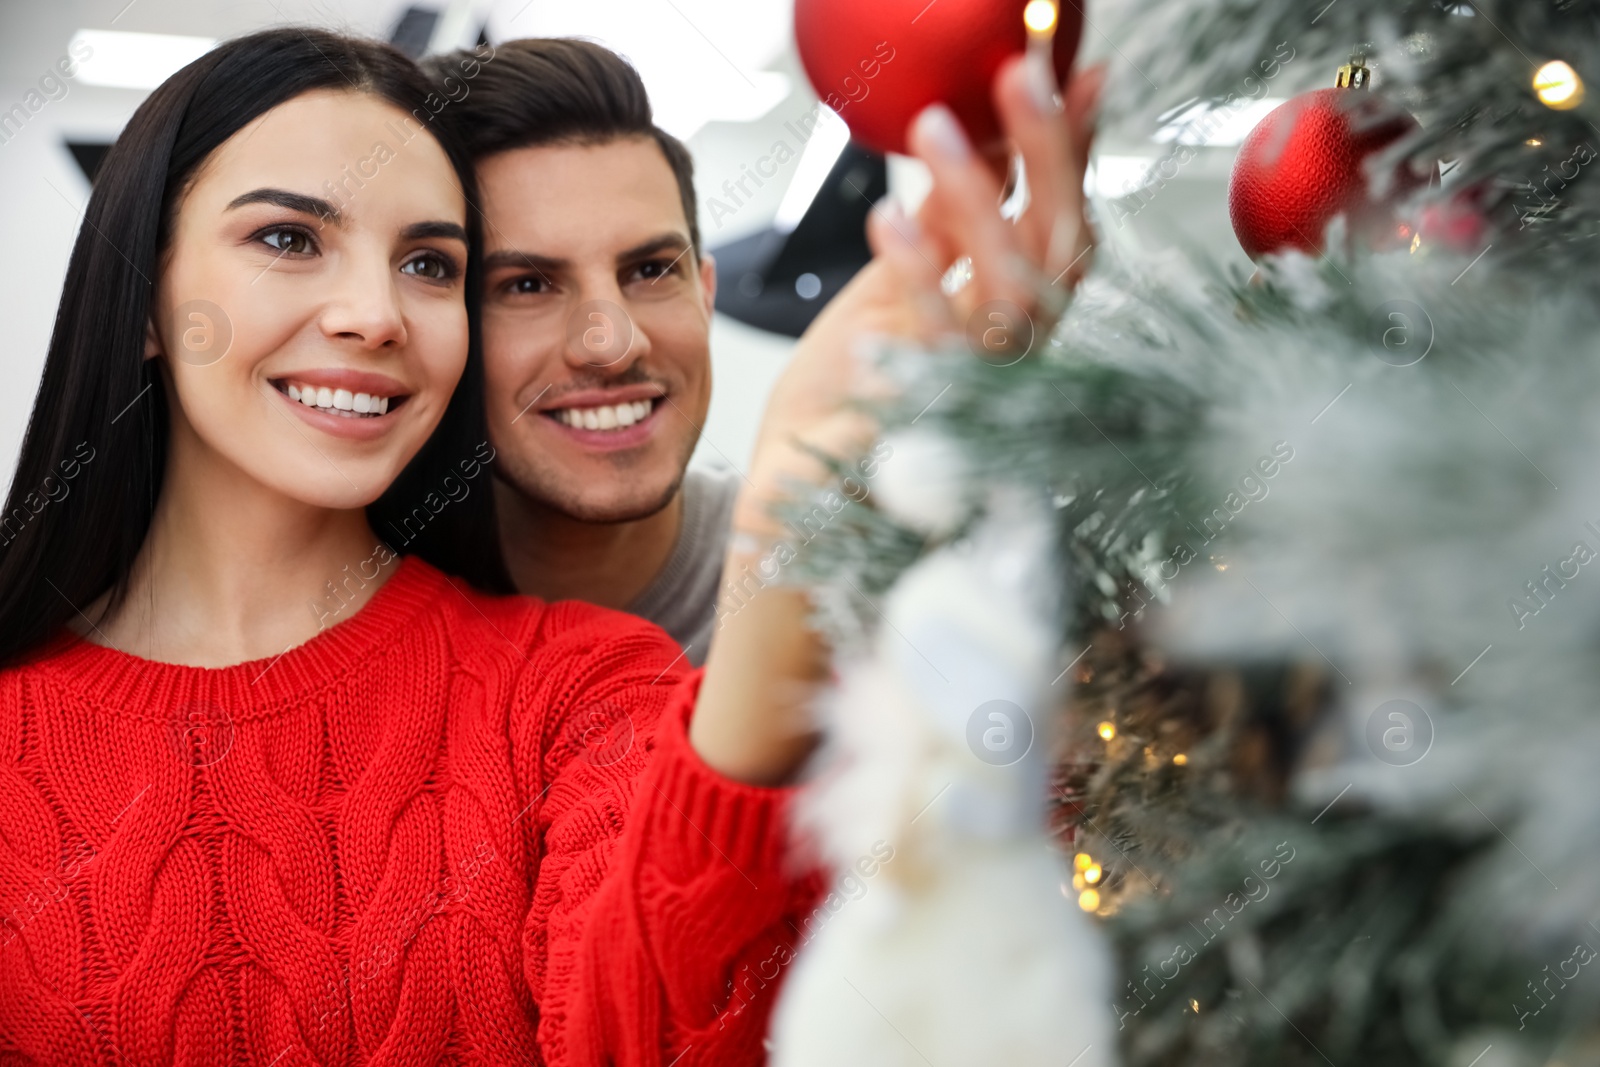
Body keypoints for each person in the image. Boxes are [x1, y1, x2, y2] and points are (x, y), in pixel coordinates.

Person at [0, 23, 1099, 1067]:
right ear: (144, 297)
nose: (374, 312)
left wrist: (797, 535)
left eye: (428, 264)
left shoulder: (582, 682)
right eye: (289, 238)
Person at [420, 39, 735, 667]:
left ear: (705, 293)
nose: (613, 345)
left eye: (649, 270)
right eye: (527, 285)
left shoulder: (838, 575)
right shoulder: (343, 603)